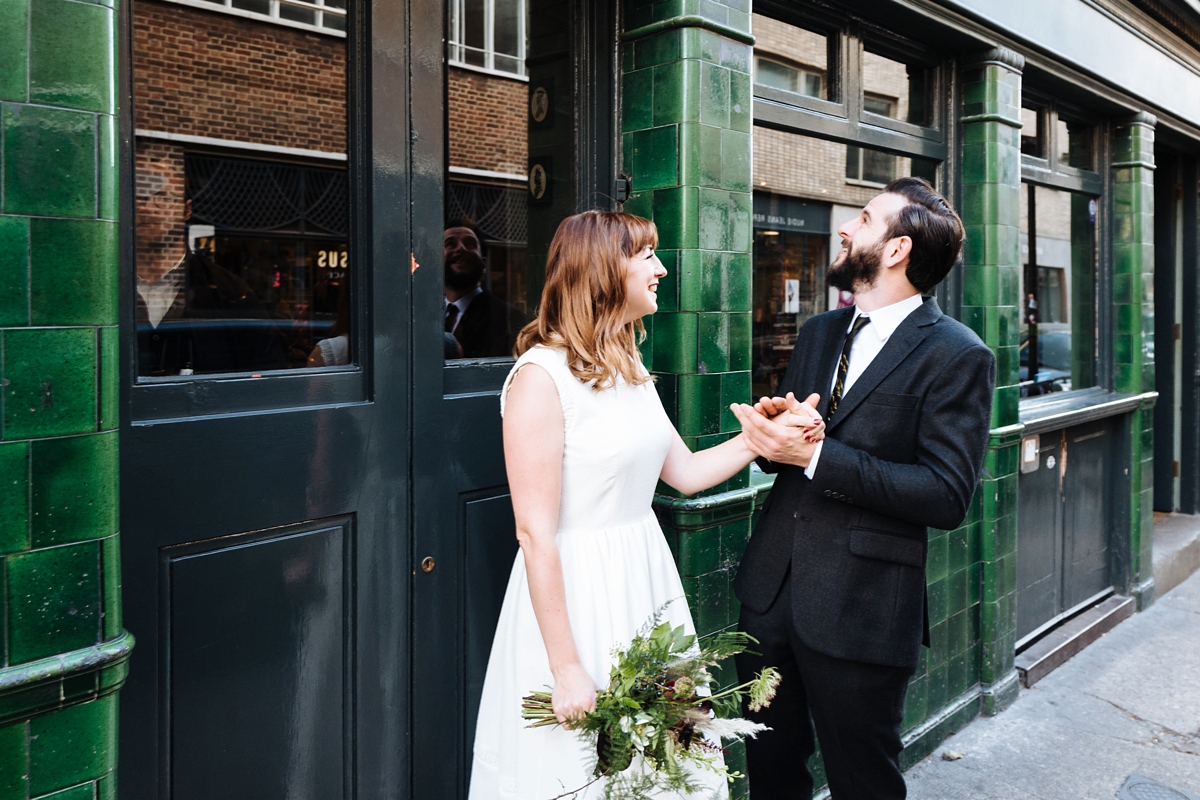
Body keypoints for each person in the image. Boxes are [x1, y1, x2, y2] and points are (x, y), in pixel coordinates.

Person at [469, 210, 822, 799]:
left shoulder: (628, 367)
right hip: (574, 599)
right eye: (647, 256)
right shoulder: (540, 377)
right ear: (604, 270)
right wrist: (566, 668)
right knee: (579, 766)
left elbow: (684, 474)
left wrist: (764, 435)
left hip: (643, 583)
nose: (661, 268)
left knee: (661, 770)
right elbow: (534, 533)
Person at [730, 177, 995, 800]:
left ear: (897, 249)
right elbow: (795, 454)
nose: (847, 227)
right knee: (769, 775)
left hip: (864, 608)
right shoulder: (822, 331)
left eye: (865, 219)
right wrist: (776, 438)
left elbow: (945, 495)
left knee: (863, 783)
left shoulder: (958, 355)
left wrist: (819, 454)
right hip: (770, 592)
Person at [444, 219, 528, 358]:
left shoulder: (509, 319)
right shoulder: (423, 317)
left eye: (469, 244)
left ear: (484, 262)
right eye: (450, 244)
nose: (460, 248)